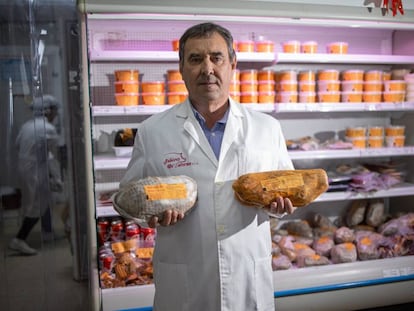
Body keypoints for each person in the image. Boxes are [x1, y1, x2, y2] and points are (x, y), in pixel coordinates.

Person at [120, 22, 296, 311]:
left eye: (216, 57)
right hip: (184, 279)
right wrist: (148, 217)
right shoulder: (153, 131)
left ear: (232, 64)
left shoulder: (267, 128)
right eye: (195, 59)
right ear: (181, 68)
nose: (207, 68)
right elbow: (129, 196)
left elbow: (288, 189)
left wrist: (279, 206)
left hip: (246, 276)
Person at [9, 94, 63, 255]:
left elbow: (19, 145)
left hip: (25, 168)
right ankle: (19, 239)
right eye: (55, 111)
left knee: (43, 199)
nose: (56, 114)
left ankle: (47, 232)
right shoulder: (48, 128)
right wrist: (58, 177)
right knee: (36, 204)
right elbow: (54, 155)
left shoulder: (27, 125)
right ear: (47, 111)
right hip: (35, 170)